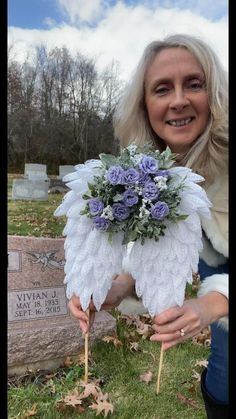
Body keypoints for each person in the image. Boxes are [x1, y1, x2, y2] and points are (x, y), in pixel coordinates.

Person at [68, 34, 228, 418]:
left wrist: (211, 303)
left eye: (194, 83)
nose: (178, 100)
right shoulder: (155, 177)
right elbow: (158, 255)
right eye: (162, 89)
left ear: (216, 94)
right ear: (145, 105)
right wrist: (118, 287)